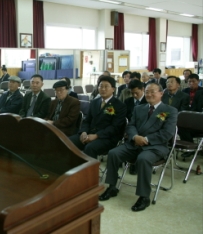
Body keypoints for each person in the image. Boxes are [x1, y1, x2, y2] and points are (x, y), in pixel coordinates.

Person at [99, 83, 178, 212]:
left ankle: (144, 196)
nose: (149, 94)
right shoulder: (139, 108)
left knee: (143, 159)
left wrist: (146, 139)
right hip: (134, 143)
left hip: (155, 146)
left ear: (161, 93)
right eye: (147, 92)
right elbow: (131, 126)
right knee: (113, 153)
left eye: (152, 91)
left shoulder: (170, 110)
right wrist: (135, 137)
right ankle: (112, 186)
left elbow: (167, 133)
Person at [69, 76, 127, 159]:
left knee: (90, 148)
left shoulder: (119, 105)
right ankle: (71, 169)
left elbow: (115, 127)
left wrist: (97, 135)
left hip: (107, 138)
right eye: (101, 86)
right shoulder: (94, 102)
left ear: (113, 89)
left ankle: (89, 171)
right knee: (68, 141)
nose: (103, 89)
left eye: (106, 86)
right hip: (89, 133)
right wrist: (84, 132)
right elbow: (87, 120)